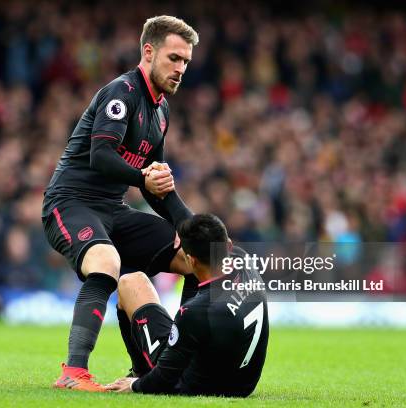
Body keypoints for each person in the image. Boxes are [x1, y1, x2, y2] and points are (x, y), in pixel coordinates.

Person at [42, 16, 200, 391]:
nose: (180, 69)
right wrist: (144, 176)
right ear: (149, 51)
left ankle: (161, 360)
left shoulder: (161, 111)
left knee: (195, 258)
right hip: (70, 202)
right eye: (174, 58)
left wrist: (191, 226)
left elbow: (153, 183)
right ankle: (73, 373)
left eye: (186, 62)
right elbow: (102, 156)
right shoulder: (122, 93)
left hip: (113, 210)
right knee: (106, 262)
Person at [106, 214, 269, 397]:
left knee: (131, 282)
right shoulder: (244, 260)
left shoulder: (196, 311)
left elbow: (164, 377)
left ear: (191, 261)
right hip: (243, 385)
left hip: (195, 386)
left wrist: (135, 385)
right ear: (229, 245)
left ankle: (139, 371)